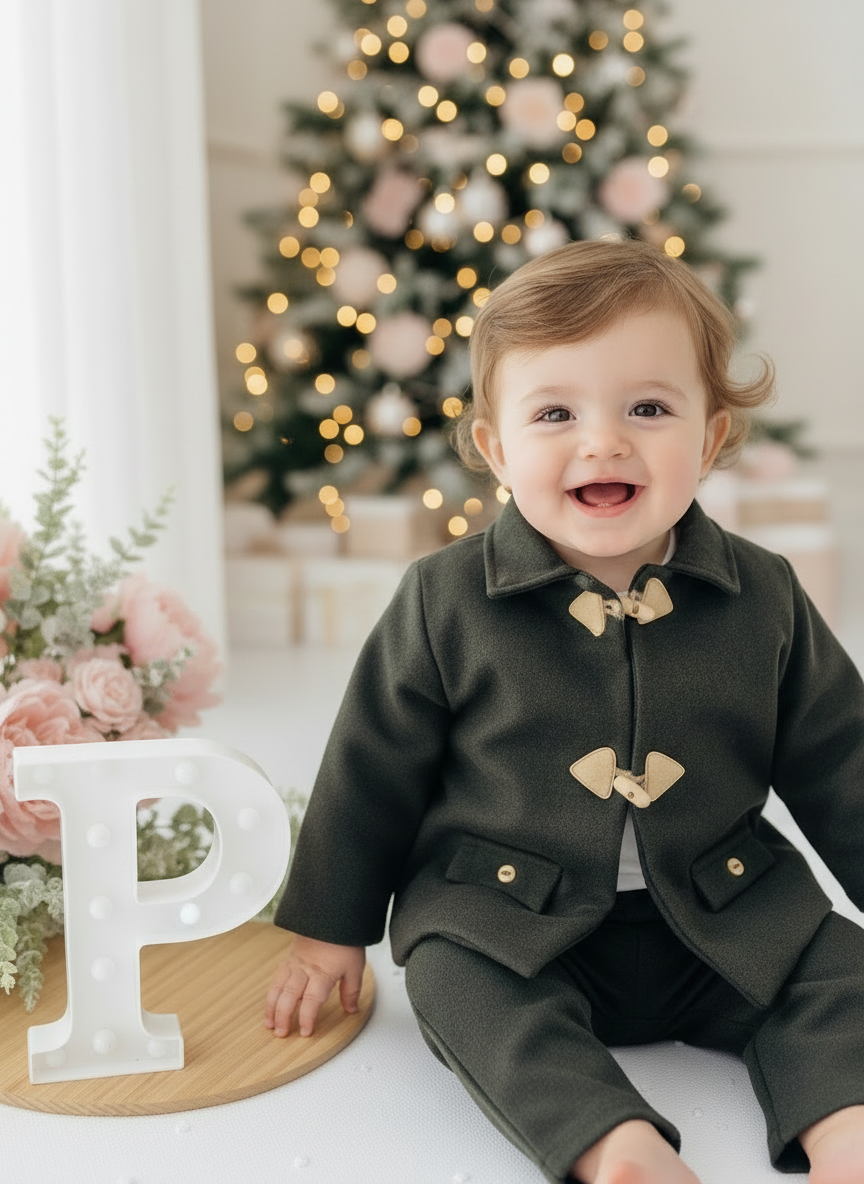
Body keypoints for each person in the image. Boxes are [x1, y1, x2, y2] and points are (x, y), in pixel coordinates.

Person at [264, 239, 864, 1184]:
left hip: (723, 906)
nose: (604, 441)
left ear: (709, 437)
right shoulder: (444, 599)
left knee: (839, 970)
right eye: (556, 413)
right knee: (456, 983)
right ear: (498, 450)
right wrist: (331, 927)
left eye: (649, 409)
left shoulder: (764, 594)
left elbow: (843, 759)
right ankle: (614, 1146)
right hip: (513, 917)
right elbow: (370, 766)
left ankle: (847, 1129)